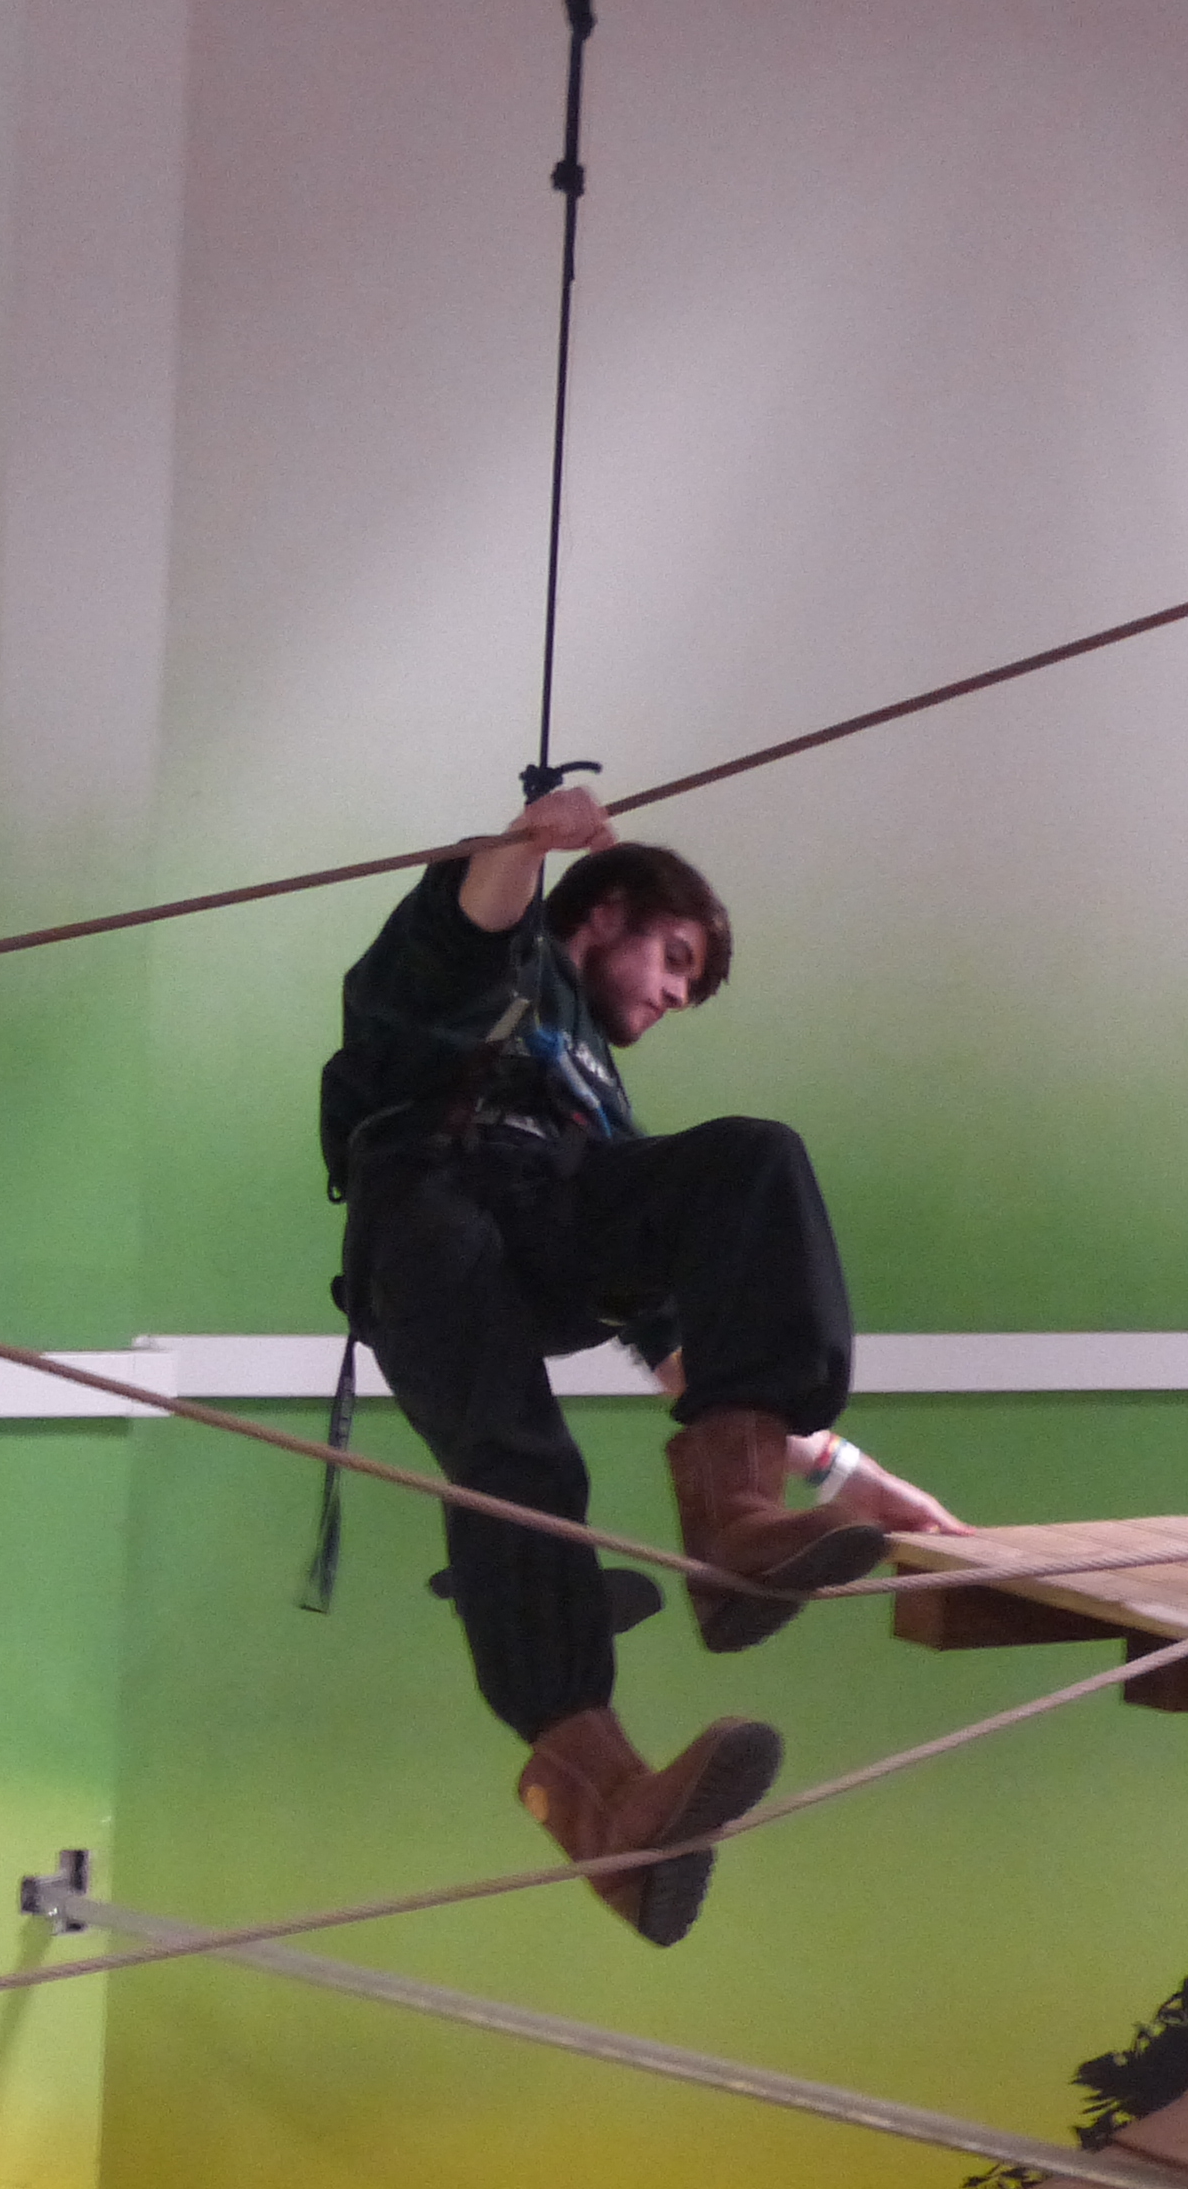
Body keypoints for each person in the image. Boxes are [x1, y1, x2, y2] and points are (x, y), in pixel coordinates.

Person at [319, 781, 956, 1945]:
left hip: (545, 1217)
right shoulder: (496, 957)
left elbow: (676, 1345)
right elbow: (477, 913)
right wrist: (530, 838)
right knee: (521, 1466)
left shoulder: (595, 1100)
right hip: (429, 1218)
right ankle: (604, 1808)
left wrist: (842, 1474)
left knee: (749, 1164)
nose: (670, 996)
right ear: (602, 913)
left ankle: (729, 1530)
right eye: (672, 959)